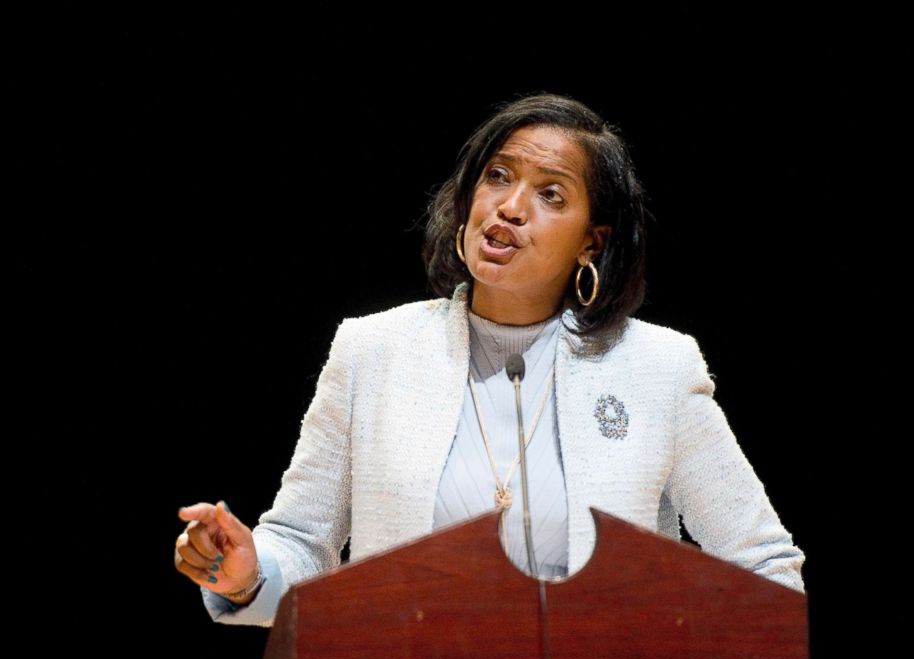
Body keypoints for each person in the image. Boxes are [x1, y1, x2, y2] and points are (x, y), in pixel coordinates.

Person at [174, 92, 806, 627]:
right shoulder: (372, 353)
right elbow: (303, 542)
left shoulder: (658, 369)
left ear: (593, 240)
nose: (510, 206)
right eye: (498, 176)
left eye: (551, 194)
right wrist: (248, 575)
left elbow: (765, 569)